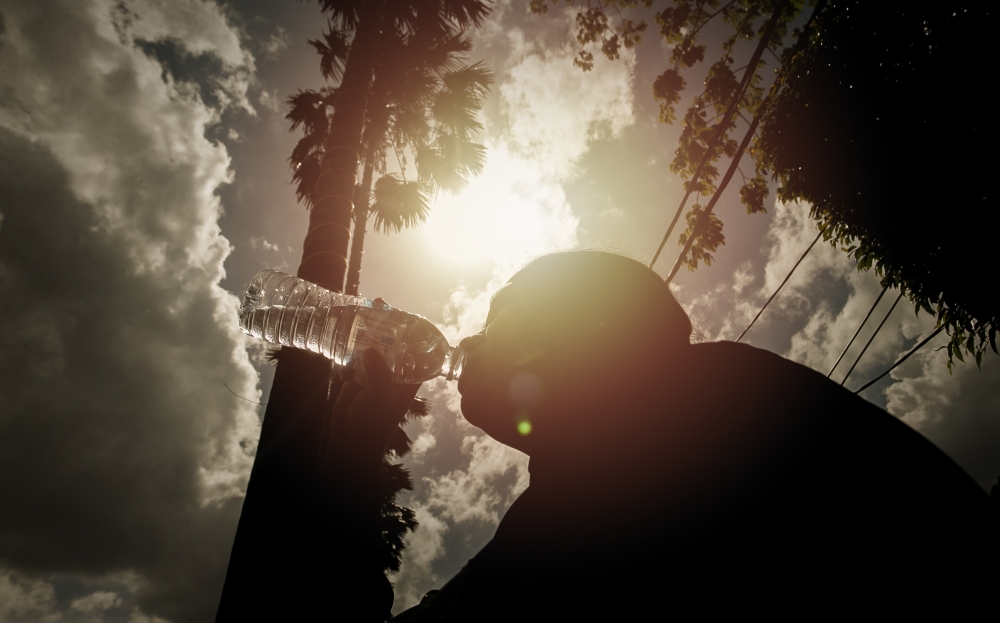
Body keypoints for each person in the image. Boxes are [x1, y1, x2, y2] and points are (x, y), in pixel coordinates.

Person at [226, 251, 997, 621]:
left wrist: (353, 461)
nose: (472, 336)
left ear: (580, 337)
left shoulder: (666, 440)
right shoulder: (709, 395)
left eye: (503, 318)